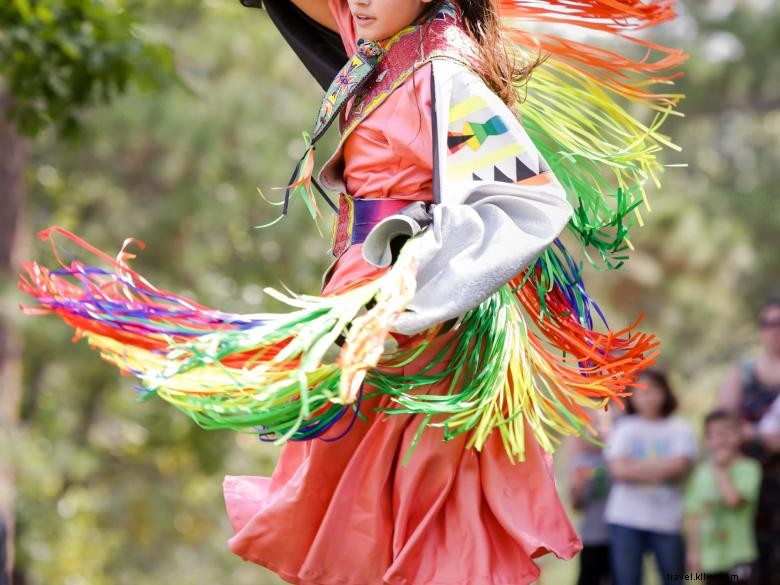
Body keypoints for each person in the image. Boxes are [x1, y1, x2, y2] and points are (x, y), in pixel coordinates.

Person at [18, 1, 686, 583]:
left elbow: (526, 199)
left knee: (423, 529)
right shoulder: (388, 41)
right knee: (365, 525)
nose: (355, 2)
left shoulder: (446, 74)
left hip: (417, 337)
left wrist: (410, 284)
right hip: (364, 318)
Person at [604, 370, 698, 585]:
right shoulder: (624, 428)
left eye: (654, 389)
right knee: (627, 579)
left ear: (665, 392)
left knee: (674, 577)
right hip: (625, 518)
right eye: (641, 391)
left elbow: (680, 467)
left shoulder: (680, 428)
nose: (648, 396)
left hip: (668, 519)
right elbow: (618, 470)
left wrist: (635, 468)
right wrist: (661, 470)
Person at [718, 298, 780, 585]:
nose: (774, 330)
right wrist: (757, 436)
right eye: (768, 323)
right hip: (747, 484)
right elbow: (722, 427)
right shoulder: (741, 372)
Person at [684, 410, 761, 584]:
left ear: (740, 435)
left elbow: (733, 501)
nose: (722, 439)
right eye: (716, 434)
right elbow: (694, 516)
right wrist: (693, 553)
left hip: (740, 556)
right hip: (709, 558)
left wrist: (721, 470)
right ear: (707, 440)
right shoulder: (701, 474)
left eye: (728, 431)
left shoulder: (749, 468)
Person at [568, 410, 615, 585]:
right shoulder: (579, 461)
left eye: (601, 422)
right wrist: (577, 489)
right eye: (588, 424)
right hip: (592, 536)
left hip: (619, 536)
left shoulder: (617, 457)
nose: (595, 429)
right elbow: (576, 505)